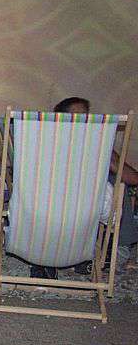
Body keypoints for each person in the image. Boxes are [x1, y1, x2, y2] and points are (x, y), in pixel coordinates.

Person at [44, 97, 138, 278]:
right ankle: (112, 251)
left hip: (85, 208)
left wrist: (106, 155)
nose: (84, 123)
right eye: (77, 118)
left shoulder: (98, 146)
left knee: (116, 180)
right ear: (60, 121)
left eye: (86, 117)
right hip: (57, 209)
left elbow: (132, 178)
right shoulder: (51, 147)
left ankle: (110, 251)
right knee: (114, 181)